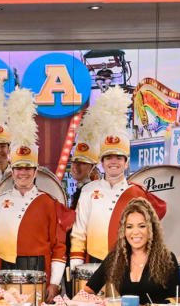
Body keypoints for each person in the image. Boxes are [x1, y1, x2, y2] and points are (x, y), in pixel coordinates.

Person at [69, 88, 164, 270]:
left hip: (129, 264)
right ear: (101, 162)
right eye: (108, 157)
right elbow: (79, 233)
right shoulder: (89, 191)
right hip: (93, 265)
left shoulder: (137, 192)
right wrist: (76, 269)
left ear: (126, 163)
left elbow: (149, 235)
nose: (114, 162)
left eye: (119, 158)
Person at [0, 119, 67, 301]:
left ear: (36, 171)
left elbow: (59, 247)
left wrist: (54, 282)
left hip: (40, 272)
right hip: (5, 272)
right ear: (12, 171)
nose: (23, 173)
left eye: (28, 168)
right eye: (18, 168)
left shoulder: (49, 202)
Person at [86, 197, 180, 303]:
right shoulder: (116, 257)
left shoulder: (167, 258)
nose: (135, 232)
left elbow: (177, 301)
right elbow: (87, 292)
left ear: (151, 229)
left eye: (142, 226)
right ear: (123, 230)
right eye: (129, 227)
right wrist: (100, 302)